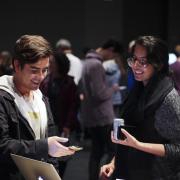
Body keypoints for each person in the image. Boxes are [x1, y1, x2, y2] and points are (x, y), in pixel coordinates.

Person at [100, 36, 180, 180]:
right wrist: (113, 163)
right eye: (134, 59)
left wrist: (138, 145)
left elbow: (177, 149)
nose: (135, 65)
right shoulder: (137, 90)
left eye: (143, 61)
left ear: (158, 64)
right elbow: (130, 135)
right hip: (129, 172)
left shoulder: (168, 98)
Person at [0, 35, 75, 180]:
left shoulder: (41, 98)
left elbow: (51, 140)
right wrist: (44, 146)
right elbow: (2, 146)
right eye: (34, 70)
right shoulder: (3, 96)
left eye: (45, 70)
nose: (41, 77)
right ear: (16, 65)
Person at [80, 38, 123, 180]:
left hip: (91, 115)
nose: (112, 58)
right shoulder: (97, 65)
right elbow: (100, 94)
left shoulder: (86, 62)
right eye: (113, 55)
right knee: (112, 151)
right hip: (102, 115)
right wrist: (113, 89)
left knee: (96, 152)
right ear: (110, 50)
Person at [40, 52, 79, 177]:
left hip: (62, 125)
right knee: (47, 157)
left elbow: (73, 106)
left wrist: (68, 125)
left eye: (52, 62)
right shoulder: (45, 80)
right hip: (47, 124)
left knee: (62, 157)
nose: (49, 64)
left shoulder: (69, 82)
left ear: (60, 64)